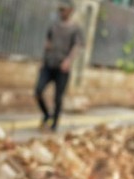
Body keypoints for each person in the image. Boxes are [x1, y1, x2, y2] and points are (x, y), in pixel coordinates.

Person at [35, 0, 84, 132]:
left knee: (58, 97)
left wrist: (68, 61)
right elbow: (47, 43)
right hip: (49, 64)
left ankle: (54, 124)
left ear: (70, 11)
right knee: (38, 91)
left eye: (64, 9)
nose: (61, 12)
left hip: (62, 68)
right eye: (60, 9)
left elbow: (77, 46)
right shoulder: (53, 26)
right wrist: (43, 60)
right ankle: (46, 114)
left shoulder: (75, 28)